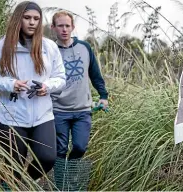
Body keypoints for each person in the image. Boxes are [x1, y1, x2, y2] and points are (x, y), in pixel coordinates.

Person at [0, 1, 66, 187]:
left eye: (36, 18)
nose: (32, 22)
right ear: (18, 20)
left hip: (42, 114)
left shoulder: (49, 47)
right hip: (10, 116)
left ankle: (21, 184)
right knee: (13, 166)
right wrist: (11, 84)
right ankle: (9, 185)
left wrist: (46, 86)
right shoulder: (2, 46)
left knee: (47, 158)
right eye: (27, 18)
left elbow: (60, 78)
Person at [50, 10, 108, 189]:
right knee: (59, 150)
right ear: (53, 28)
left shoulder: (84, 47)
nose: (64, 30)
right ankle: (61, 187)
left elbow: (95, 75)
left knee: (80, 147)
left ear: (73, 27)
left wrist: (103, 96)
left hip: (83, 110)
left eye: (67, 26)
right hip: (58, 110)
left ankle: (72, 176)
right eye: (60, 26)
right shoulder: (50, 50)